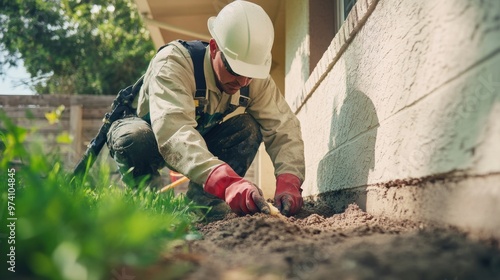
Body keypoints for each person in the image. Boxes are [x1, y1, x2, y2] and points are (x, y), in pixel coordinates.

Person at [106, 1, 305, 219]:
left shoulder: (252, 78)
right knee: (134, 137)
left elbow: (283, 126)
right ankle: (149, 210)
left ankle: (204, 210)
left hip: (197, 137)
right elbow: (173, 132)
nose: (242, 81)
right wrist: (227, 182)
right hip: (151, 135)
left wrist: (290, 180)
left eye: (250, 74)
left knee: (247, 128)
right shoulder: (174, 63)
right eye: (235, 70)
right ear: (213, 48)